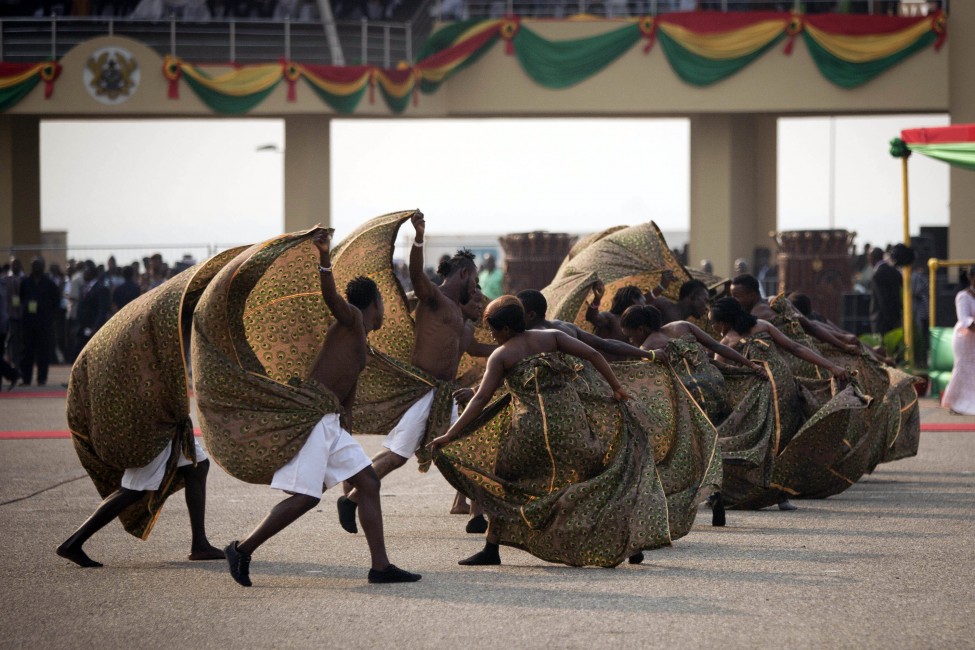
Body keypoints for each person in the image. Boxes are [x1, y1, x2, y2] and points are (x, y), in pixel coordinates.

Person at [196, 230, 420, 586]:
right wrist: (324, 258)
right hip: (315, 417)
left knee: (368, 481)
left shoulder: (362, 338)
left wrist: (347, 419)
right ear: (373, 304)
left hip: (331, 421)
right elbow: (331, 298)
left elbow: (350, 382)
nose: (385, 312)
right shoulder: (351, 319)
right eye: (383, 305)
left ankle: (380, 567)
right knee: (305, 498)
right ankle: (242, 548)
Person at [429, 296, 684, 567]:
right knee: (593, 476)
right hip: (572, 428)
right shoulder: (551, 337)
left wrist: (451, 434)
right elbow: (594, 354)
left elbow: (480, 399)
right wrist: (616, 387)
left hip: (530, 433)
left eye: (492, 329)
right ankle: (629, 546)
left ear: (504, 329)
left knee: (502, 478)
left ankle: (492, 548)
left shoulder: (501, 355)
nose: (491, 335)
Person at [56, 252, 233, 569]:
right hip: (151, 422)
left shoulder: (165, 323)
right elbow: (167, 379)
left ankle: (199, 544)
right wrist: (179, 412)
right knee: (135, 488)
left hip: (160, 418)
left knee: (197, 465)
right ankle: (73, 542)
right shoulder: (164, 329)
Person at [337, 213, 482, 535]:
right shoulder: (433, 298)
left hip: (444, 393)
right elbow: (416, 272)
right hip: (425, 391)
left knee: (469, 444)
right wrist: (418, 237)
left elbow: (476, 349)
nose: (476, 285)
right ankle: (353, 498)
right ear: (463, 273)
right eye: (474, 279)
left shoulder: (459, 312)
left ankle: (478, 513)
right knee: (397, 455)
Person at [708, 297, 854, 510]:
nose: (714, 327)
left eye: (715, 322)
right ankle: (780, 495)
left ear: (725, 321)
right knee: (782, 441)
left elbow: (721, 376)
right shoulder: (762, 326)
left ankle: (759, 493)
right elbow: (795, 347)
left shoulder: (727, 343)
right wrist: (831, 366)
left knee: (758, 442)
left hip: (760, 394)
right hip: (785, 388)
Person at [18, 257, 60, 387]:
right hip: (29, 322)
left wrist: (48, 314)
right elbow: (21, 298)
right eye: (34, 265)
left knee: (43, 352)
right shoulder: (26, 282)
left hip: (44, 323)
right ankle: (26, 378)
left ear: (43, 267)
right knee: (27, 351)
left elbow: (56, 301)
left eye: (39, 265)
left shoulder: (49, 283)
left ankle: (42, 378)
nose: (36, 267)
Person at [941, 265, 975, 415]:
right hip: (964, 339)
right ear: (971, 278)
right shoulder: (963, 296)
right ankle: (955, 403)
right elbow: (964, 319)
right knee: (963, 369)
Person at [868, 247, 903, 339]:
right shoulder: (895, 272)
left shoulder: (877, 275)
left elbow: (882, 300)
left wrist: (890, 320)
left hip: (881, 321)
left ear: (872, 258)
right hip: (896, 318)